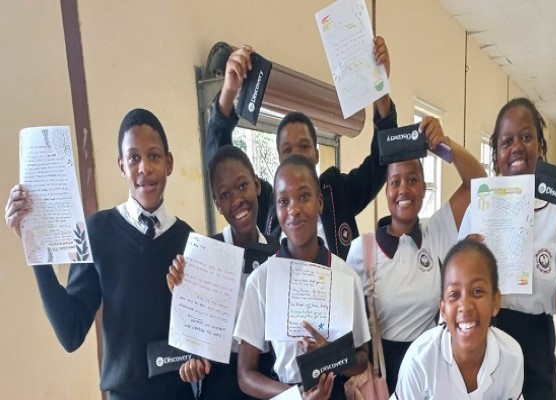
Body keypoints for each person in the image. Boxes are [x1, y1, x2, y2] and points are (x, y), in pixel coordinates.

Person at [4, 109, 195, 399]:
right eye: (133, 158)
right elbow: (70, 332)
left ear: (168, 163)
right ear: (121, 166)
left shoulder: (189, 240)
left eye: (154, 156)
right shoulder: (97, 233)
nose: (144, 167)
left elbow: (200, 335)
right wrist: (35, 249)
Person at [204, 36, 398, 260]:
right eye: (287, 150)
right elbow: (221, 166)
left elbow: (380, 162)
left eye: (304, 146)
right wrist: (229, 90)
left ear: (316, 154)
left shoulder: (337, 192)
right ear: (279, 157)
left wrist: (379, 90)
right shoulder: (266, 202)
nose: (296, 154)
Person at [458, 97, 556, 400]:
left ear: (540, 148)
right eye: (506, 141)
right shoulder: (479, 211)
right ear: (496, 156)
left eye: (526, 137)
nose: (517, 146)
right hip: (482, 349)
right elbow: (455, 293)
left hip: (535, 361)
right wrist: (467, 264)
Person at [346, 120, 486, 393]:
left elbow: (478, 183)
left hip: (431, 372)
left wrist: (442, 146)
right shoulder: (363, 250)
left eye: (412, 180)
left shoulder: (437, 232)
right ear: (386, 191)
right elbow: (348, 326)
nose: (403, 189)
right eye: (395, 182)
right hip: (383, 380)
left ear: (424, 188)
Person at [233, 154, 371, 399]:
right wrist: (296, 397)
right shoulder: (262, 280)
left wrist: (330, 355)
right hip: (287, 394)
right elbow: (245, 375)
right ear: (276, 210)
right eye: (283, 201)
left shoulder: (346, 277)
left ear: (320, 203)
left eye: (304, 196)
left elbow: (361, 360)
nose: (294, 209)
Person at [166, 145, 279, 399]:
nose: (237, 199)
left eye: (242, 186)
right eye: (225, 194)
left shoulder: (278, 252)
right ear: (217, 204)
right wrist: (180, 288)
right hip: (221, 379)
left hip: (270, 374)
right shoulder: (202, 257)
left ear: (257, 185)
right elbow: (193, 340)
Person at [394, 239, 524, 399]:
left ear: (495, 302)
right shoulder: (419, 361)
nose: (465, 306)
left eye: (477, 291)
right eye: (454, 294)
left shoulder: (511, 357)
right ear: (443, 309)